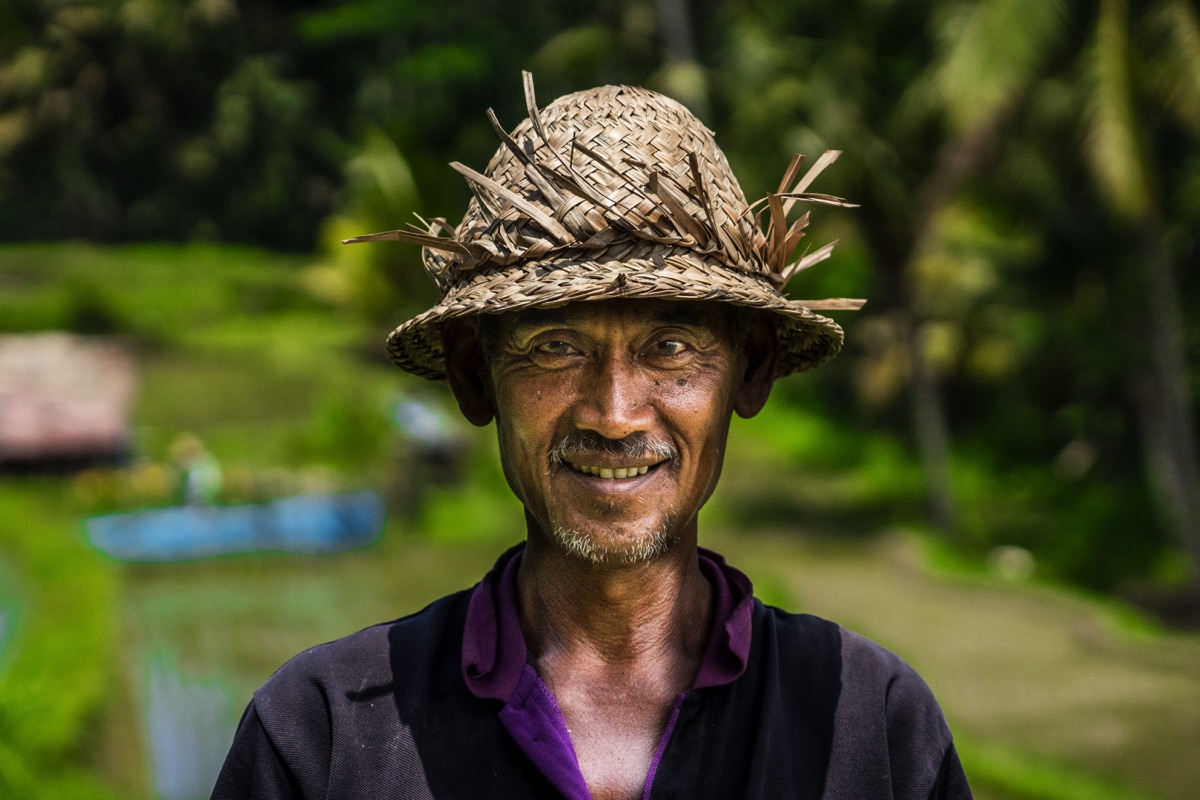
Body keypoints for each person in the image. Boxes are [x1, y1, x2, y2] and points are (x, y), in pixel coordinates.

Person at [211, 74, 973, 800]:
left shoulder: (869, 727)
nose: (614, 413)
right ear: (476, 378)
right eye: (554, 347)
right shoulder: (323, 735)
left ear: (752, 371)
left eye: (670, 347)